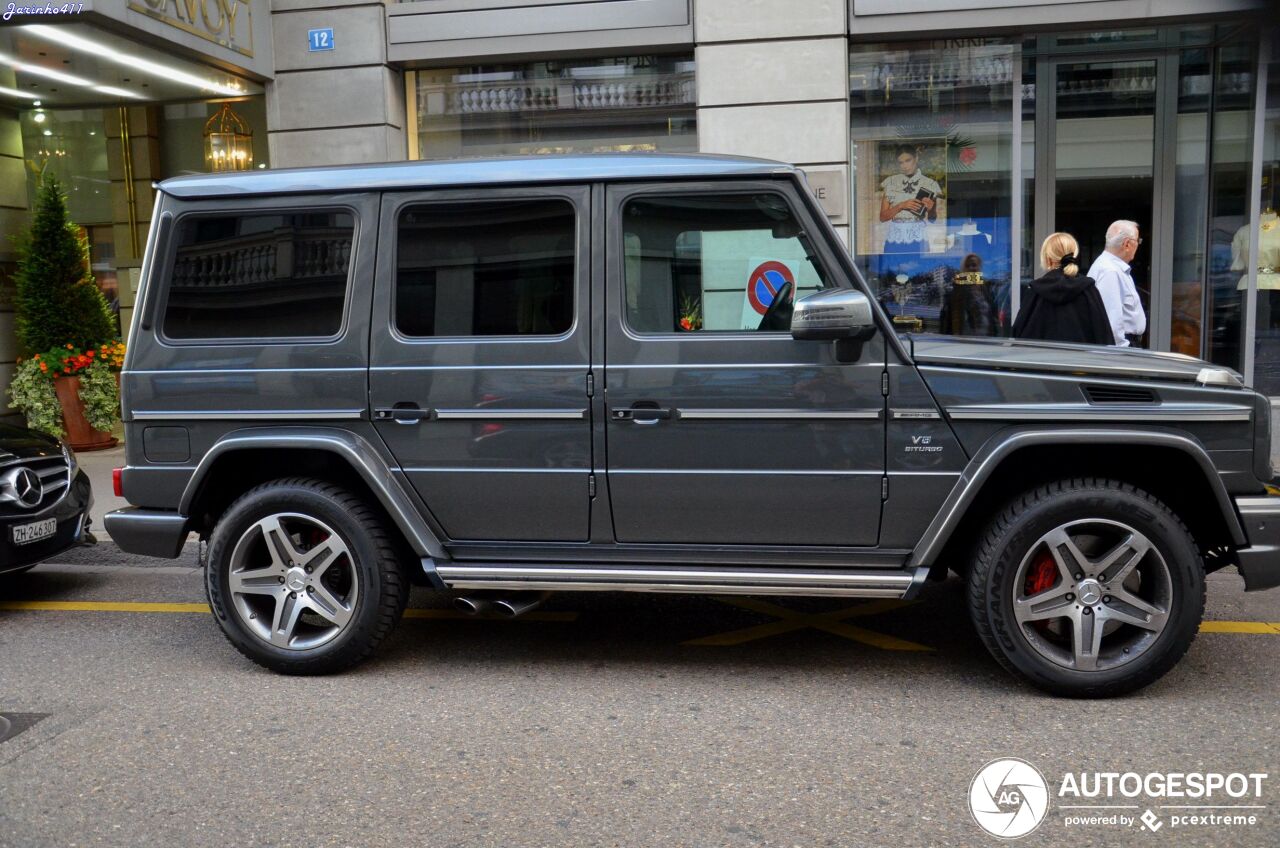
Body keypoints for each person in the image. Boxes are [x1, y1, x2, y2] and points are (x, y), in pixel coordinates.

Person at [1014, 233, 1112, 345]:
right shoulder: (1088, 290)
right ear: (1075, 255)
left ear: (1047, 257)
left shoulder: (1035, 291)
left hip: (1041, 360)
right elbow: (1104, 335)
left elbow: (1018, 334)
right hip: (1081, 361)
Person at [1088, 220, 1147, 347]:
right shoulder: (1110, 271)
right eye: (1138, 241)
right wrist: (1122, 354)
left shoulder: (1113, 268)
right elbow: (1111, 323)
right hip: (1122, 349)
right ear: (1127, 244)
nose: (1138, 245)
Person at [878, 145, 941, 257]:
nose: (905, 166)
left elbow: (932, 219)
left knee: (920, 273)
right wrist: (901, 206)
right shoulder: (891, 182)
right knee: (891, 272)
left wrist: (931, 210)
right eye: (901, 162)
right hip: (894, 238)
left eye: (908, 160)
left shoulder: (929, 184)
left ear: (916, 158)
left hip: (918, 237)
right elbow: (882, 217)